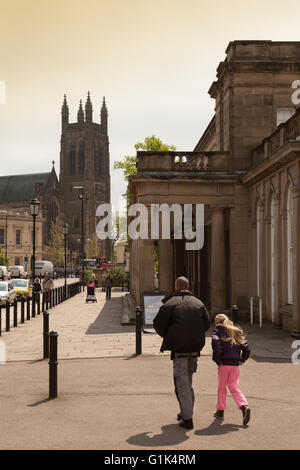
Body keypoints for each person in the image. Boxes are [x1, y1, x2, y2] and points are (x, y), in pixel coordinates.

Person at [153, 276, 211, 430]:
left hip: (179, 348)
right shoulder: (199, 303)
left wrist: (170, 335)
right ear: (188, 286)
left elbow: (158, 324)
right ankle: (186, 411)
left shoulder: (170, 304)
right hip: (194, 347)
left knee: (182, 383)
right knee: (188, 381)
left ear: (176, 286)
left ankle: (188, 418)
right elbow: (207, 324)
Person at [211, 313, 251, 426]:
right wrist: (243, 359)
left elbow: (217, 347)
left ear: (216, 322)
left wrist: (217, 361)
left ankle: (220, 411)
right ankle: (244, 406)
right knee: (234, 387)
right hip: (235, 365)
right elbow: (246, 347)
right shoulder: (236, 331)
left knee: (221, 388)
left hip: (224, 364)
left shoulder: (217, 332)